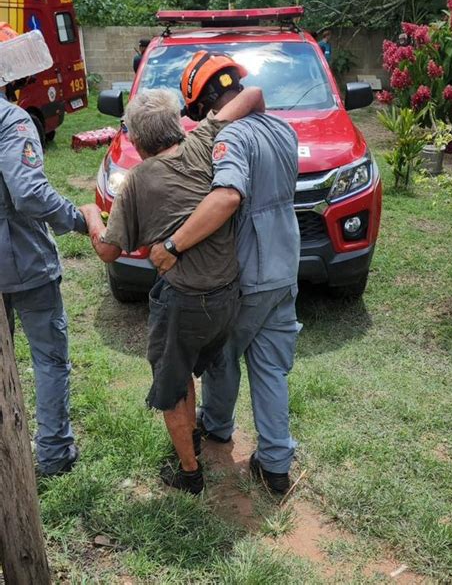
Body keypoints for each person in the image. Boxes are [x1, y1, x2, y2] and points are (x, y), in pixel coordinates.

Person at [81, 68, 264, 495]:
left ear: (138, 141)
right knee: (200, 365)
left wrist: (92, 214)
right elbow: (252, 92)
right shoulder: (204, 140)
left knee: (174, 384)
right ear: (178, 124)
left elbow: (109, 250)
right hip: (227, 294)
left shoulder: (137, 182)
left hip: (186, 301)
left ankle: (188, 473)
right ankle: (201, 434)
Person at [150, 51, 301, 494]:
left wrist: (173, 245)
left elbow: (228, 198)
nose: (203, 121)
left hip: (248, 272)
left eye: (199, 112)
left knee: (221, 357)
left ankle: (216, 427)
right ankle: (275, 466)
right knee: (271, 368)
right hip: (283, 267)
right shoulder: (280, 128)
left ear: (209, 100)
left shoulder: (230, 138)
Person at [0, 27, 89, 477]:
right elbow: (31, 195)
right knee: (49, 360)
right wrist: (78, 217)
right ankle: (53, 454)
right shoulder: (13, 121)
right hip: (25, 262)